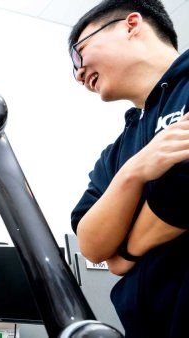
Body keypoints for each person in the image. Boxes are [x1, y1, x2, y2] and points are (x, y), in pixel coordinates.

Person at [68, 0, 189, 336]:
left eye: (79, 54)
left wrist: (125, 252)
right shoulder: (117, 152)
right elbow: (92, 242)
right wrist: (134, 172)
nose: (78, 74)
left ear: (131, 24)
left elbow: (182, 193)